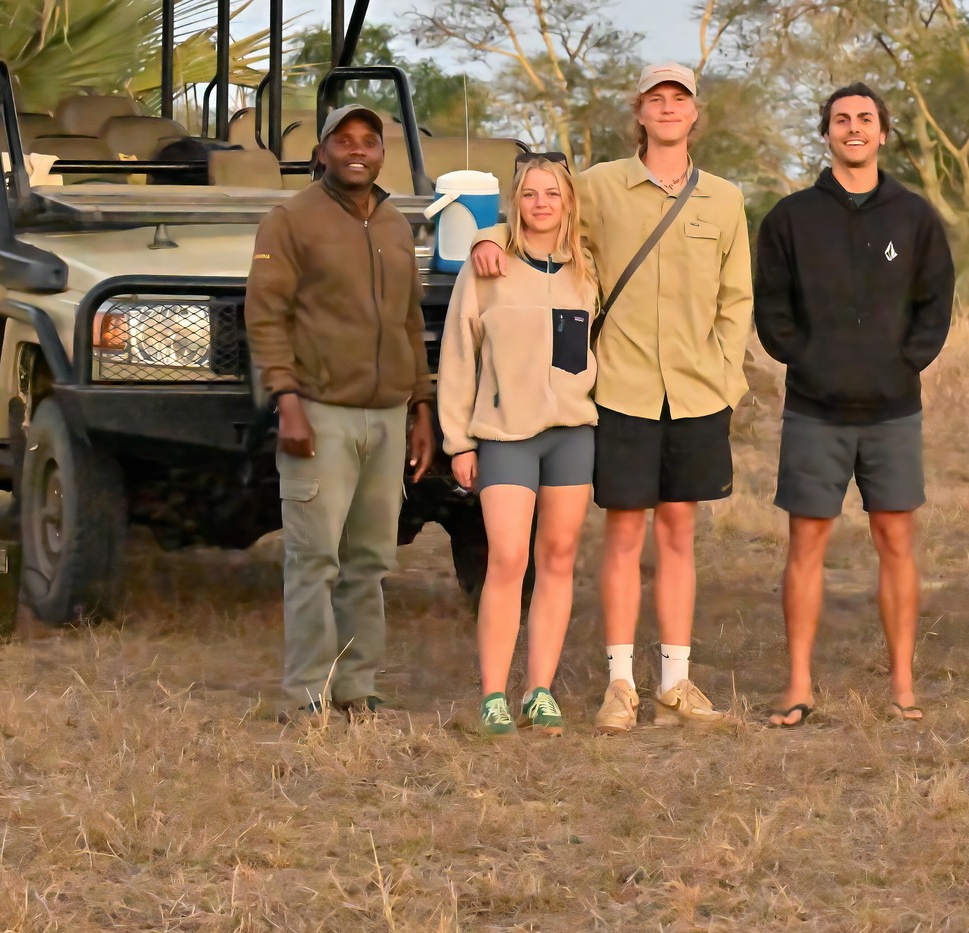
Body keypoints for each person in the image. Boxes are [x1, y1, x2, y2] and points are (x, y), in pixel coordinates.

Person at [469, 64, 753, 732]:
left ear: (694, 113)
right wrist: (488, 237)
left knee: (680, 532)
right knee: (624, 533)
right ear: (640, 113)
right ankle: (621, 683)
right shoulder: (597, 186)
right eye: (655, 99)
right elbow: (539, 221)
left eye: (678, 99)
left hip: (696, 393)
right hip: (620, 388)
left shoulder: (724, 200)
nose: (667, 109)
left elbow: (736, 299)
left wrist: (725, 378)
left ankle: (676, 682)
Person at [753, 83, 955, 728]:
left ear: (884, 133)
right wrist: (807, 361)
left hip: (893, 408)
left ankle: (902, 686)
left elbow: (935, 303)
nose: (854, 128)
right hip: (815, 407)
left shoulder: (915, 216)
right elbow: (772, 308)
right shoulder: (791, 216)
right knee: (806, 542)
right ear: (827, 133)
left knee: (896, 540)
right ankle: (797, 685)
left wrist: (903, 363)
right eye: (841, 120)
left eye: (865, 119)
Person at [246, 102, 437, 719]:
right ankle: (305, 692)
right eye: (344, 140)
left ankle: (357, 684)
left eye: (370, 141)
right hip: (319, 413)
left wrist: (423, 407)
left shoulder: (394, 222)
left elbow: (409, 321)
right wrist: (287, 402)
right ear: (322, 151)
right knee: (314, 558)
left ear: (383, 153)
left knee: (370, 559)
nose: (358, 150)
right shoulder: (289, 219)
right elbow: (265, 315)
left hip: (386, 416)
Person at [438, 154, 599, 737]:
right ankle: (492, 694)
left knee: (558, 560)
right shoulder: (488, 265)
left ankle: (540, 691)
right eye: (528, 194)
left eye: (551, 193)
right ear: (515, 202)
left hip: (572, 435)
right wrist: (458, 439)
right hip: (506, 434)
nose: (540, 203)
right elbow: (458, 355)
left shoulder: (587, 268)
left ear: (567, 200)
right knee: (508, 560)